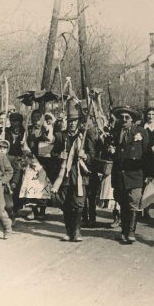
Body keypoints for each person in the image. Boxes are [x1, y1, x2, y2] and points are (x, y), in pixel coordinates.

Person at [51, 99, 96, 242]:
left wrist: (85, 155)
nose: (72, 123)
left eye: (74, 121)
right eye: (70, 121)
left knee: (78, 203)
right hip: (64, 174)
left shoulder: (84, 136)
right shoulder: (60, 136)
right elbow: (52, 155)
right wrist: (59, 156)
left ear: (78, 121)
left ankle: (76, 232)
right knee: (65, 204)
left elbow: (92, 155)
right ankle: (68, 231)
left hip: (80, 174)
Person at [111, 106, 148, 243]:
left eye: (127, 117)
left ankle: (131, 231)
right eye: (121, 117)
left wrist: (147, 175)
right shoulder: (116, 132)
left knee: (133, 201)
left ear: (132, 120)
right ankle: (124, 230)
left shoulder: (140, 132)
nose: (124, 120)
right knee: (123, 202)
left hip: (135, 173)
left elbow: (146, 154)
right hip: (120, 173)